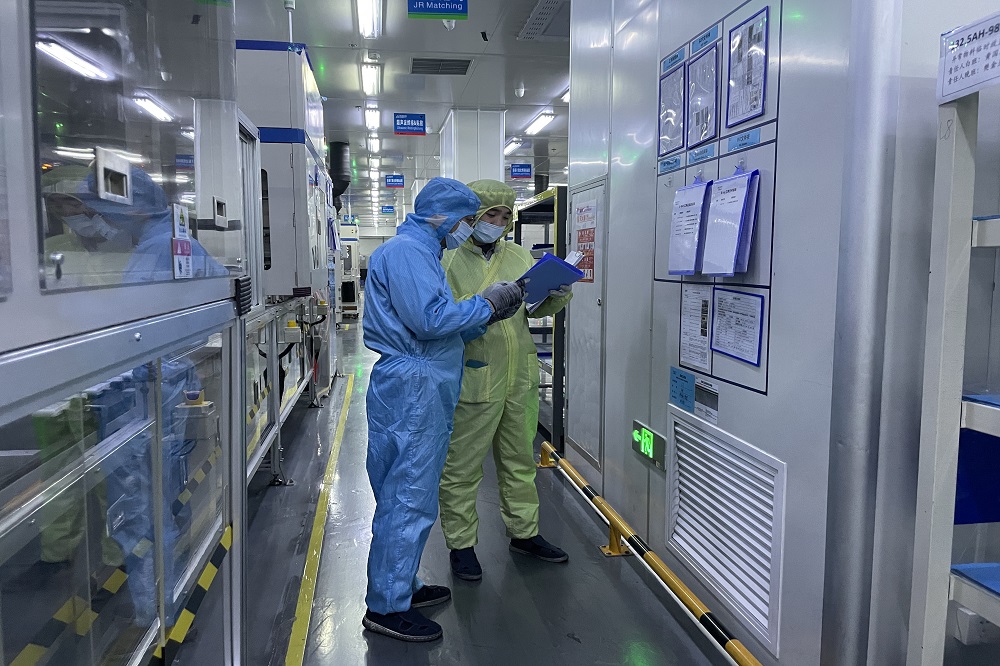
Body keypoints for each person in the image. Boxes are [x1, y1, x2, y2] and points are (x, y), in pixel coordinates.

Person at [362, 177, 525, 642]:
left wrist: (486, 315)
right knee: (408, 495)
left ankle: (401, 584)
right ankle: (386, 607)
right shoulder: (410, 253)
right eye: (468, 219)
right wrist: (486, 304)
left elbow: (433, 324)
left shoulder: (419, 251)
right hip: (414, 388)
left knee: (403, 491)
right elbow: (430, 321)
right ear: (443, 216)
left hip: (414, 384)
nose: (469, 228)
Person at [439, 179, 573, 582]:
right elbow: (440, 319)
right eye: (489, 214)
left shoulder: (518, 255)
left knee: (519, 462)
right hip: (475, 373)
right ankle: (461, 545)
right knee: (462, 467)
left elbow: (533, 308)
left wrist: (557, 294)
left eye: (503, 216)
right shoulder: (446, 259)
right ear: (472, 216)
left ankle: (524, 533)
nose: (497, 223)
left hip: (519, 377)